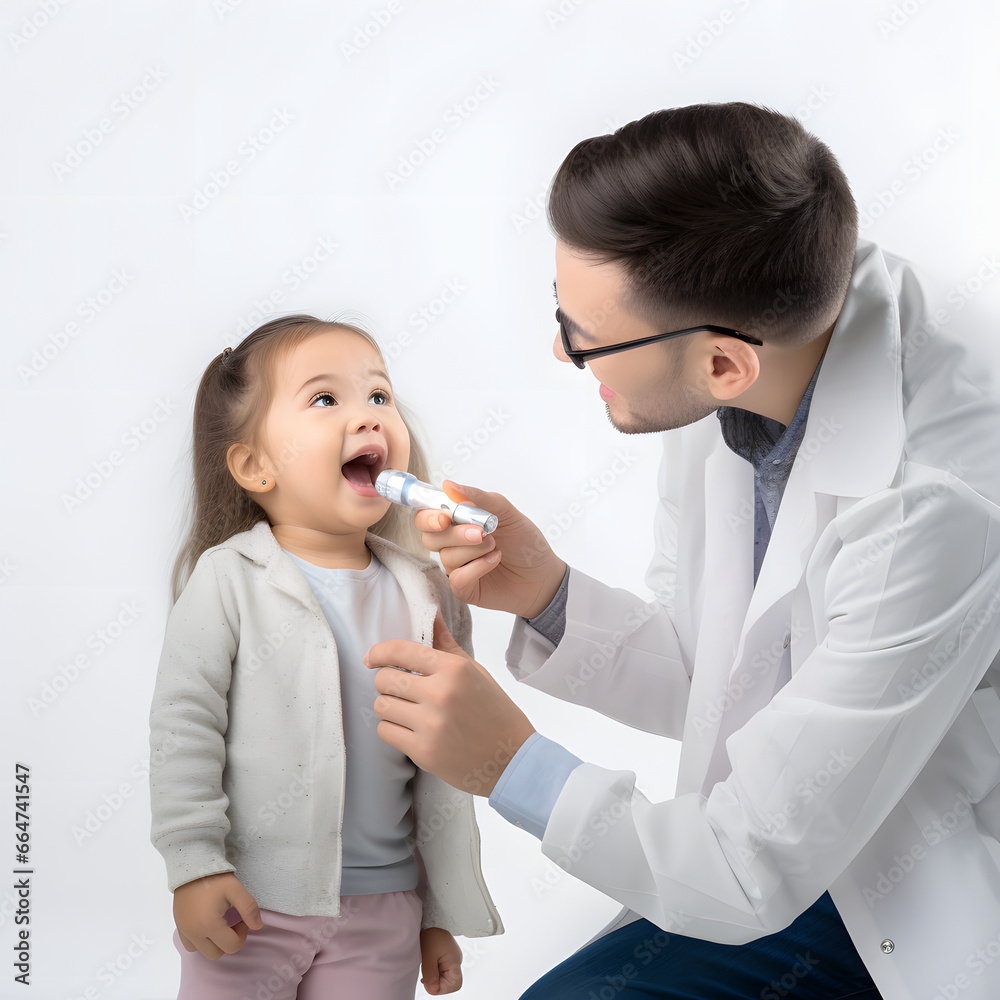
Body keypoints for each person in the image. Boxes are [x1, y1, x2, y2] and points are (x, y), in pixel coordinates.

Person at [362, 103, 1000, 999]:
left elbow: (747, 867)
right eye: (560, 313)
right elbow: (730, 678)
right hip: (809, 844)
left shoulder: (933, 508)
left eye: (584, 337)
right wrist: (548, 593)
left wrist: (509, 764)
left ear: (723, 366)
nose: (561, 351)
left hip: (923, 881)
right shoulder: (755, 326)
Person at [147, 315, 502, 1000]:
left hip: (384, 912)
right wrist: (195, 867)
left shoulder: (426, 591)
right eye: (325, 398)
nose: (369, 417)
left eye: (379, 395)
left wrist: (435, 913)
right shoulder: (229, 580)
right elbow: (184, 729)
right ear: (254, 465)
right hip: (249, 906)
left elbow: (443, 764)